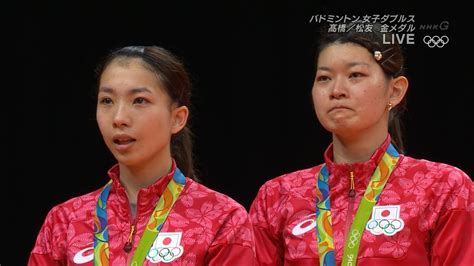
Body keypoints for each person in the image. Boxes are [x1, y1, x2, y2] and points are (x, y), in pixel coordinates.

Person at [249, 23, 473, 265]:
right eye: (324, 78)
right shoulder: (276, 196)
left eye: (355, 75)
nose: (336, 90)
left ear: (395, 91)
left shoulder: (443, 189)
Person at [29, 46, 256, 265]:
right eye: (107, 101)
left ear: (177, 118)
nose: (119, 118)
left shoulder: (222, 218)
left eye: (139, 101)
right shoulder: (65, 221)